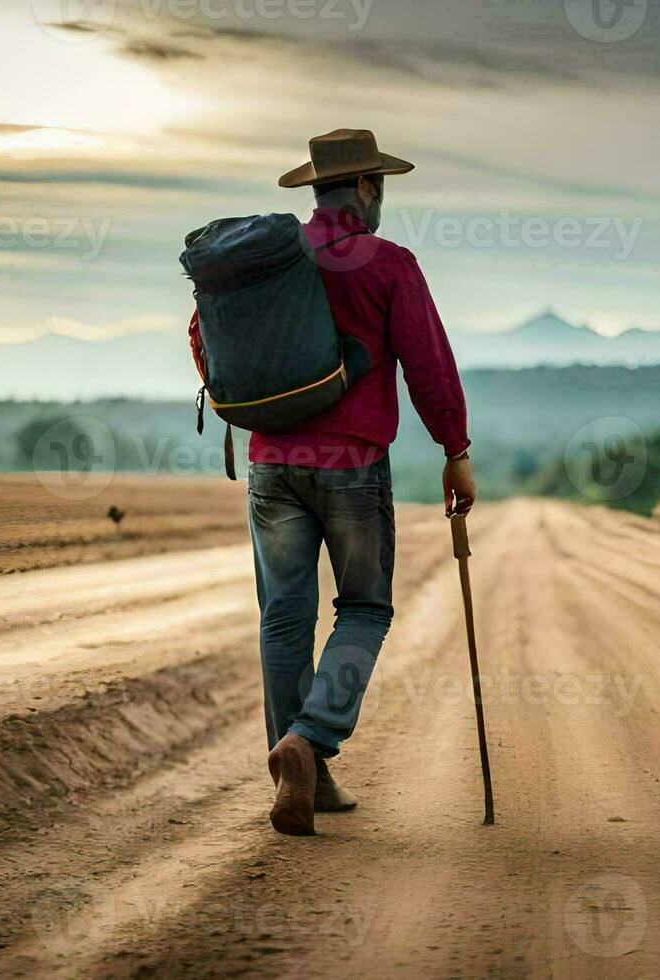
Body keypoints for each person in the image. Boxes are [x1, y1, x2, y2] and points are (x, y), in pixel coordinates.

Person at [187, 128, 476, 835]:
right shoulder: (388, 263)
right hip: (351, 465)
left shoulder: (267, 261)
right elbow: (427, 364)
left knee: (283, 618)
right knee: (366, 609)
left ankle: (304, 779)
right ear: (369, 189)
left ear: (316, 190)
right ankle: (310, 742)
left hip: (269, 465)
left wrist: (254, 403)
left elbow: (202, 335)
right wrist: (454, 447)